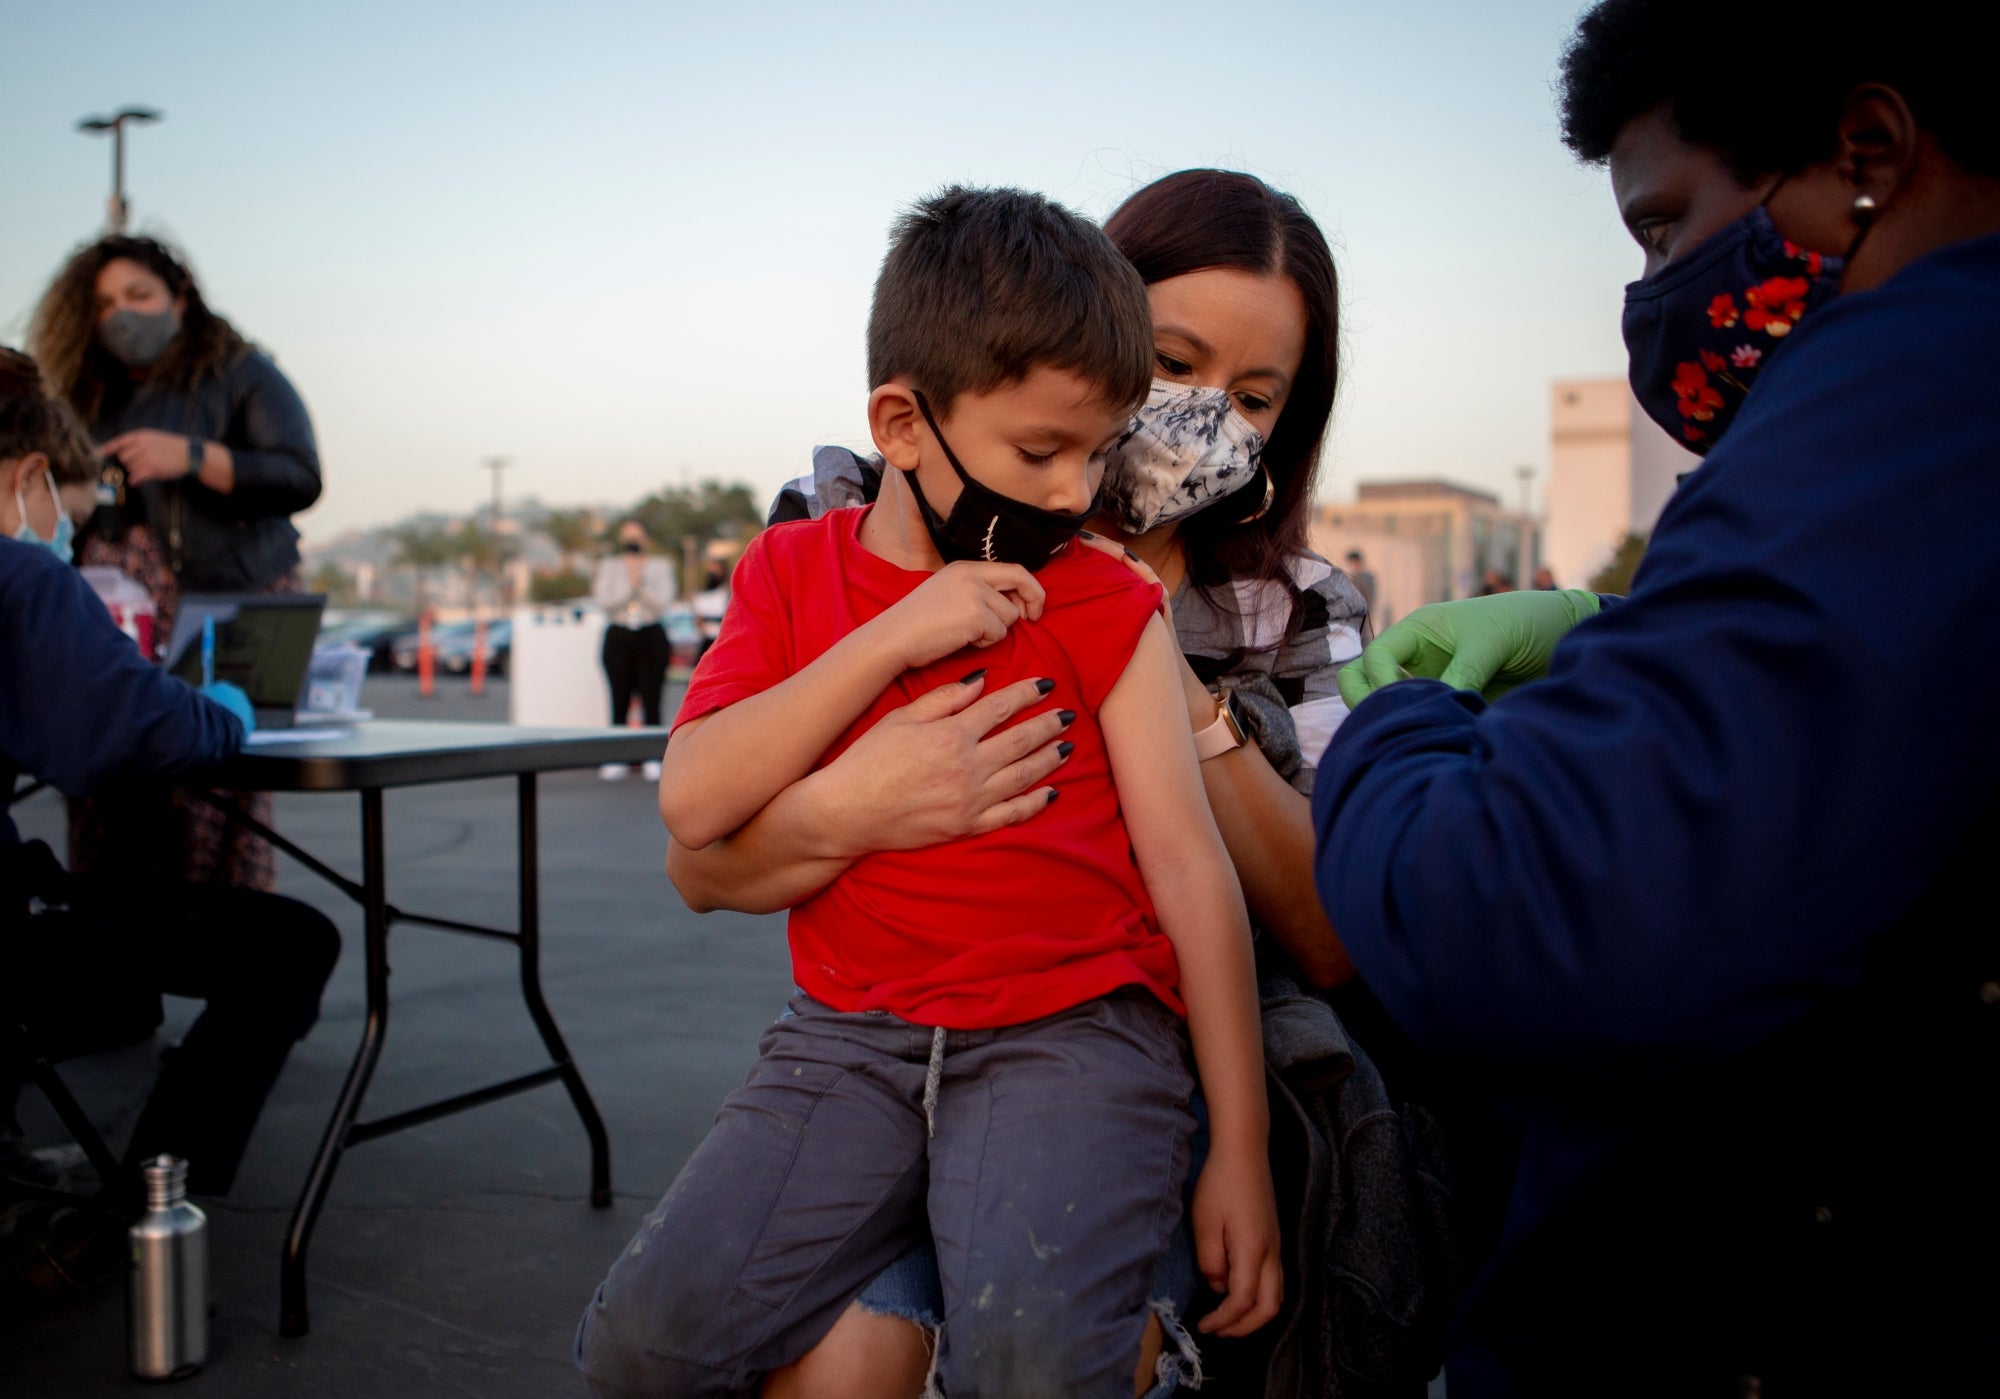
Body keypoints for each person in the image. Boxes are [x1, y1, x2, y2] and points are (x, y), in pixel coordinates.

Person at [1317, 4, 2000, 1393]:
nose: (1656, 290)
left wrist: (1384, 731)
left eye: (1665, 226)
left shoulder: (1915, 381)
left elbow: (1530, 901)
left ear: (1867, 151)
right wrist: (1607, 632)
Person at [682, 171, 1454, 1399]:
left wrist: (1144, 649)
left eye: (1251, 398)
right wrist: (862, 800)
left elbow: (1319, 924)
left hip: (1155, 1052)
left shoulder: (1291, 601)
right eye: (1169, 362)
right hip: (904, 1041)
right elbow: (702, 859)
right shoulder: (853, 517)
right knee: (834, 1362)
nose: (1199, 417)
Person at [576, 187, 1281, 1399]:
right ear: (900, 424)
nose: (1070, 495)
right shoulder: (792, 570)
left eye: (1097, 450)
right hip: (852, 1038)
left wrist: (1243, 1150)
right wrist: (888, 639)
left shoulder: (1105, 601)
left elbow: (1188, 870)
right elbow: (692, 807)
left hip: (1073, 1039)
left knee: (1028, 1369)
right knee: (639, 1350)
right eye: (1036, 452)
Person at [0, 348, 338, 1301]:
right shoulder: (21, 579)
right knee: (289, 942)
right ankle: (142, 1199)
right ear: (28, 478)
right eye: (66, 514)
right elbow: (134, 735)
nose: (67, 536)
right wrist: (221, 707)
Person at [29, 235, 322, 894]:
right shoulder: (85, 387)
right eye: (104, 303)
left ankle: (227, 953)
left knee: (214, 782)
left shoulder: (242, 373)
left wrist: (192, 457)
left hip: (226, 596)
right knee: (116, 772)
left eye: (139, 295)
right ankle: (119, 968)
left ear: (180, 296)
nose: (122, 315)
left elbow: (300, 475)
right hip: (115, 597)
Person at [593, 519, 675, 781]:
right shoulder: (610, 567)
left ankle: (653, 755)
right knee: (619, 697)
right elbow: (603, 601)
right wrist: (629, 584)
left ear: (646, 540)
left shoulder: (661, 566)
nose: (633, 545)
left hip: (651, 634)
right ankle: (617, 755)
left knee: (652, 697)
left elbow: (663, 602)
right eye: (628, 539)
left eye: (637, 539)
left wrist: (641, 583)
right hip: (619, 634)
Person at [1344, 547, 1377, 619]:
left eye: (1353, 562)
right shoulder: (1351, 577)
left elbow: (1370, 597)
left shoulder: (1367, 577)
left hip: (1364, 614)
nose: (1352, 566)